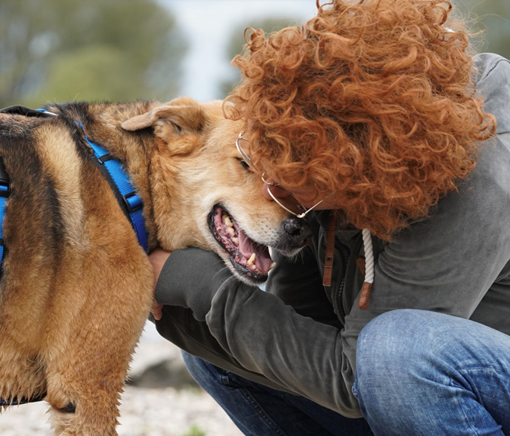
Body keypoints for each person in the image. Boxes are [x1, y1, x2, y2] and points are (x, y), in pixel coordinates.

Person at [147, 0, 510, 435]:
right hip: (411, 391)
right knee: (221, 341)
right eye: (256, 159)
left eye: (287, 181)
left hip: (464, 380)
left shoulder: (478, 177)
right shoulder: (315, 140)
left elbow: (354, 376)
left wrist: (197, 282)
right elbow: (295, 330)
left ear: (360, 165)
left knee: (395, 351)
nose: (270, 190)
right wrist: (176, 291)